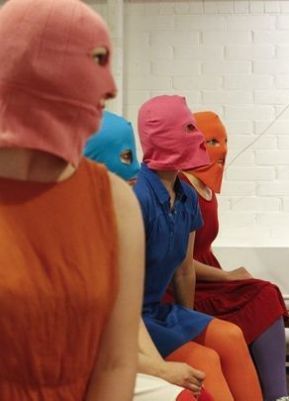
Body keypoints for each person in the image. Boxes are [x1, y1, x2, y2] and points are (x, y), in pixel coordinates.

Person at [0, 1, 143, 400]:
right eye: (97, 60)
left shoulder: (116, 203)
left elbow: (116, 363)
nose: (110, 88)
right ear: (36, 65)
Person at [134, 95, 263, 401]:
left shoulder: (187, 196)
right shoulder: (138, 197)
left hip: (161, 312)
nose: (197, 137)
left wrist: (186, 321)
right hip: (134, 318)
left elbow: (184, 270)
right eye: (188, 128)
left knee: (231, 335)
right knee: (205, 359)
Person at [85, 111, 214, 401]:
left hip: (122, 344)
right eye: (125, 157)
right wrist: (161, 370)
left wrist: (161, 369)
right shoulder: (82, 232)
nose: (135, 168)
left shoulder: (121, 217)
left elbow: (126, 312)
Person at [177, 111, 289, 401]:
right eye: (213, 141)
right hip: (186, 286)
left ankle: (278, 395)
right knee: (262, 295)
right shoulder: (183, 188)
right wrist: (227, 276)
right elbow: (181, 262)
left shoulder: (206, 189)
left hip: (207, 279)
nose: (223, 149)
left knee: (264, 294)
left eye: (226, 141)